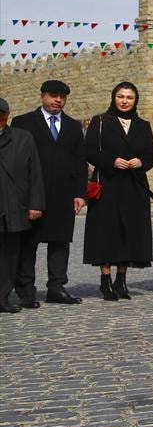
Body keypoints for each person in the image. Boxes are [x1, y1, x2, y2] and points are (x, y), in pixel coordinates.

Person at [11, 79, 85, 306]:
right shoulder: (23, 123)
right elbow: (16, 160)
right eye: (53, 95)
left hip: (63, 194)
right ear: (42, 96)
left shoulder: (73, 126)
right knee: (28, 243)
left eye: (62, 97)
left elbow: (80, 162)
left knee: (60, 242)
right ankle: (26, 290)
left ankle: (56, 287)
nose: (58, 100)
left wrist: (80, 193)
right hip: (32, 194)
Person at [83, 82, 153, 301]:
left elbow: (151, 155)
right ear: (114, 98)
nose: (125, 101)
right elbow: (89, 151)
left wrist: (140, 162)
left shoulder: (142, 125)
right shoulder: (100, 121)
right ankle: (105, 279)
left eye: (129, 97)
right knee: (107, 232)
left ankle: (121, 280)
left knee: (129, 232)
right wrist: (111, 161)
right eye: (121, 96)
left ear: (136, 100)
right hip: (108, 184)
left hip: (134, 186)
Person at [0, 98, 45, 313]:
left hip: (13, 206)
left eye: (2, 114)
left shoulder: (22, 138)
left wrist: (36, 204)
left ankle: (2, 297)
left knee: (9, 257)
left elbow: (34, 173)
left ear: (7, 116)